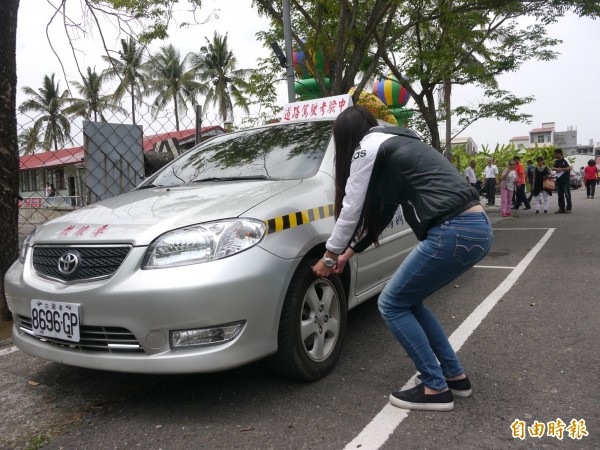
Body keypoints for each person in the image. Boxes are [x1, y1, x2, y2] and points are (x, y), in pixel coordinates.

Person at [312, 106, 493, 412]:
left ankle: (435, 387)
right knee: (409, 301)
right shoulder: (397, 141)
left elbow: (351, 210)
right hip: (476, 228)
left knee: (391, 303)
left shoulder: (366, 148)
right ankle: (455, 377)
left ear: (345, 139)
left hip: (452, 229)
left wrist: (328, 257)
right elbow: (381, 215)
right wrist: (348, 253)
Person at [553, 148, 572, 213]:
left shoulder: (565, 160)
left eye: (555, 154)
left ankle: (569, 208)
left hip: (565, 180)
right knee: (560, 195)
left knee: (567, 194)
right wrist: (556, 169)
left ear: (559, 153)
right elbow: (553, 168)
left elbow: (570, 167)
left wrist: (561, 169)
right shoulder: (556, 161)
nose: (554, 155)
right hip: (558, 180)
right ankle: (561, 208)